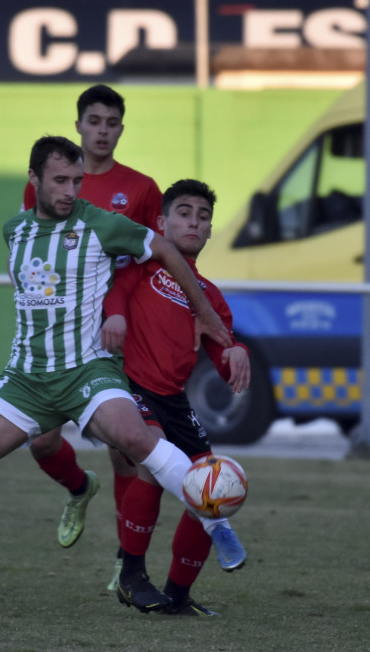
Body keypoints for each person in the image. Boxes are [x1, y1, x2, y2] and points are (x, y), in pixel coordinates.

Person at [0, 135, 246, 614]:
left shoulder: (101, 225)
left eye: (77, 180)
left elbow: (166, 254)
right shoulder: (14, 231)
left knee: (137, 441)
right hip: (26, 378)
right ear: (34, 181)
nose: (71, 191)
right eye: (61, 181)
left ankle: (217, 524)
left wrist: (209, 319)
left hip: (88, 371)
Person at [20, 84, 162, 557]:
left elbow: (148, 262)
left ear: (122, 128)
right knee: (40, 441)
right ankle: (79, 488)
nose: (103, 131)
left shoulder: (141, 189)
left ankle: (128, 563)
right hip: (59, 333)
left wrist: (119, 311)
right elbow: (34, 252)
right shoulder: (48, 182)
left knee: (124, 448)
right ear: (78, 123)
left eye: (112, 123)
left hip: (116, 333)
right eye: (94, 121)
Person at [102, 178, 251, 617]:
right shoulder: (141, 267)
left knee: (213, 488)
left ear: (209, 232)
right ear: (162, 222)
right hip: (130, 386)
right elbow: (117, 293)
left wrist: (235, 351)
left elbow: (223, 355)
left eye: (203, 217)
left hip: (174, 399)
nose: (194, 222)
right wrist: (114, 315)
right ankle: (131, 575)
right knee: (155, 463)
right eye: (184, 213)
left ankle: (178, 597)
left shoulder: (209, 295)